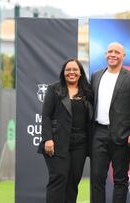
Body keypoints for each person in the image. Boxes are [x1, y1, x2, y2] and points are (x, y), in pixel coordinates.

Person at [90, 42, 130, 203]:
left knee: (120, 179)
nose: (113, 54)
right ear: (105, 54)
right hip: (98, 133)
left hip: (122, 136)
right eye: (110, 51)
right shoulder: (96, 75)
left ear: (123, 56)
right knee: (96, 179)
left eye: (117, 52)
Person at [38, 58, 93, 203]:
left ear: (80, 73)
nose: (71, 72)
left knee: (73, 181)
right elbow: (46, 116)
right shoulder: (54, 89)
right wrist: (48, 138)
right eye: (68, 70)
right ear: (63, 73)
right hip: (57, 142)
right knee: (59, 178)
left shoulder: (87, 92)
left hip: (80, 144)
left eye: (75, 69)